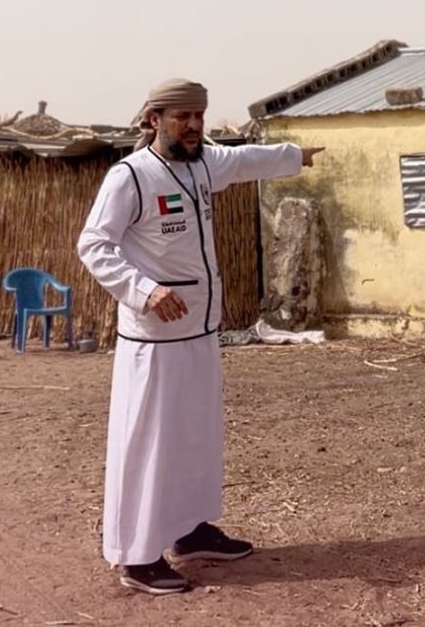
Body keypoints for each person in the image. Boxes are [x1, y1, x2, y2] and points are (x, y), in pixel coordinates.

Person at [77, 78, 323, 595]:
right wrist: (144, 291)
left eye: (199, 116)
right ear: (153, 120)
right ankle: (138, 556)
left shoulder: (204, 164)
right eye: (181, 116)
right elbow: (95, 246)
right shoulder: (131, 177)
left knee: (196, 437)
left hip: (199, 331)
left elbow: (247, 160)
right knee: (149, 443)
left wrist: (295, 155)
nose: (192, 126)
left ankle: (190, 531)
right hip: (154, 339)